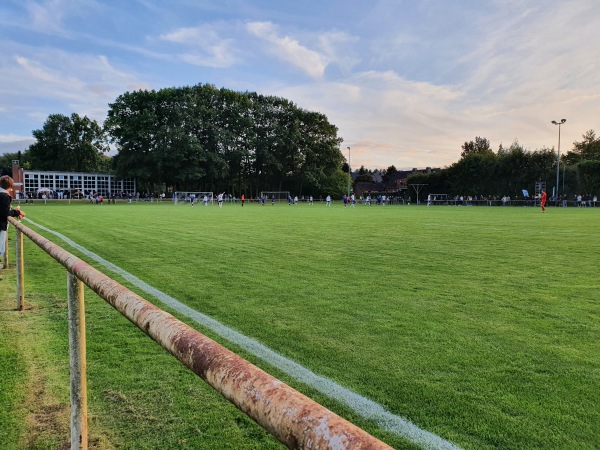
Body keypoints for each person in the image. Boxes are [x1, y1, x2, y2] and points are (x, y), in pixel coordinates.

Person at [0, 176, 26, 268]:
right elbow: (5, 212)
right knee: (0, 250)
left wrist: (13, 211)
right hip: (0, 225)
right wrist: (18, 212)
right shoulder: (4, 196)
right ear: (10, 186)